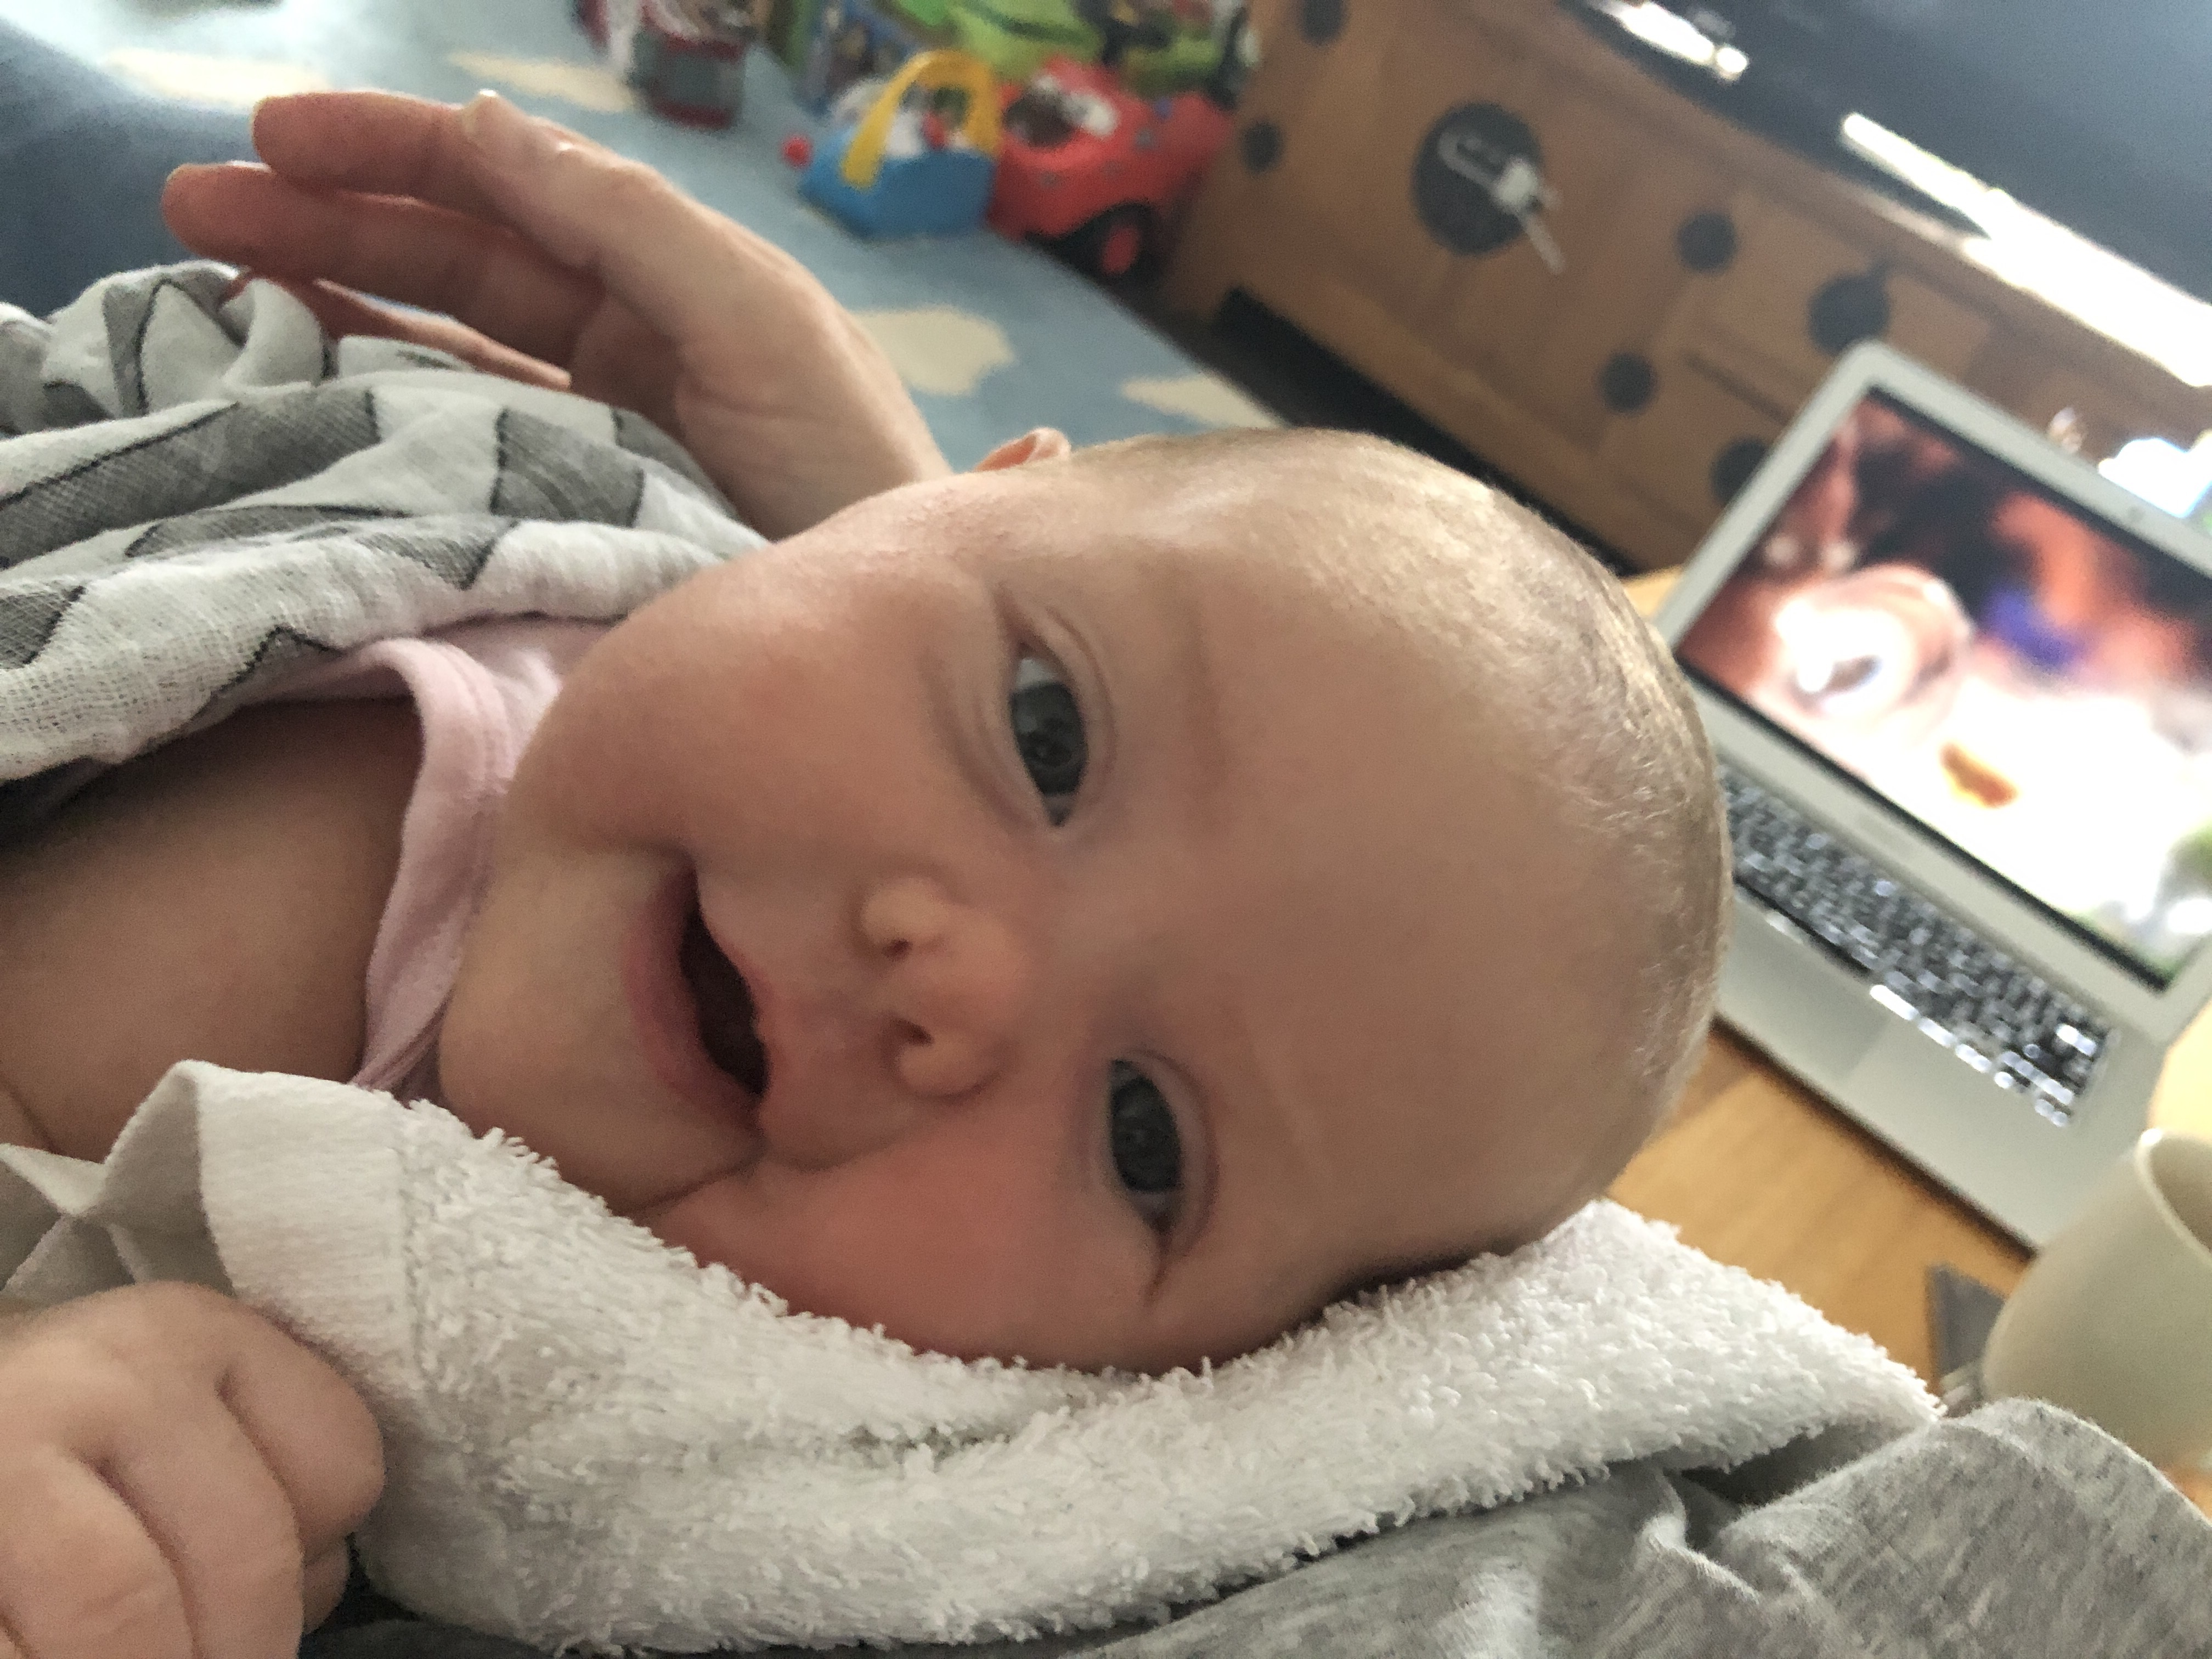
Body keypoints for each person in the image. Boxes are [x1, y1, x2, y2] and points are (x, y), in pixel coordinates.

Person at [0, 89, 1730, 1658]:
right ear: (957, 493)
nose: (961, 979)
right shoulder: (357, 837)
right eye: (1046, 733)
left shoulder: (799, 1476)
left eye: (1145, 1138)